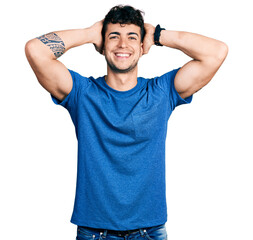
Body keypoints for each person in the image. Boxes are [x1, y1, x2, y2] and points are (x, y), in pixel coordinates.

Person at [25, 5, 228, 240]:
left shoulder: (160, 93)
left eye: (132, 37)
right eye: (114, 37)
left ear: (142, 47)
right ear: (102, 46)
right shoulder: (83, 93)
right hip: (94, 232)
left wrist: (159, 35)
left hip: (149, 232)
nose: (123, 45)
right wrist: (91, 33)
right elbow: (35, 50)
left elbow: (217, 52)